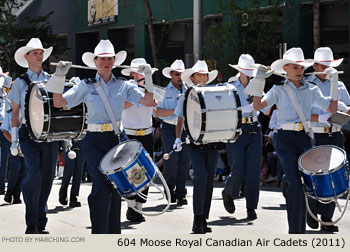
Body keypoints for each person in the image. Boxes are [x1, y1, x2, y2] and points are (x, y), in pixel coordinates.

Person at [49, 39, 154, 234]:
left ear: (114, 61)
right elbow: (59, 102)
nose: (106, 62)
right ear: (95, 62)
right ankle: (99, 234)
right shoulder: (86, 85)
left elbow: (148, 101)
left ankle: (113, 235)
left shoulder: (124, 85)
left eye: (110, 58)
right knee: (102, 188)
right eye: (102, 59)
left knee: (116, 189)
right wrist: (59, 77)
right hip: (94, 141)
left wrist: (147, 78)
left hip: (116, 139)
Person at [244, 47, 337, 233]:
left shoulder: (312, 89)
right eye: (295, 67)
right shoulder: (278, 89)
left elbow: (332, 108)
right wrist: (259, 81)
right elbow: (258, 106)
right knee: (295, 182)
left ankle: (307, 218)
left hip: (305, 137)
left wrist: (334, 83)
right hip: (285, 138)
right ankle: (296, 230)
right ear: (285, 68)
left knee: (308, 182)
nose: (299, 71)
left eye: (301, 67)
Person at [8, 38, 60, 234]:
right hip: (28, 133)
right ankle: (32, 222)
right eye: (35, 53)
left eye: (41, 52)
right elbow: (15, 113)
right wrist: (14, 140)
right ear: (26, 57)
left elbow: (60, 107)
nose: (39, 56)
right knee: (33, 176)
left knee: (47, 178)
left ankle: (40, 220)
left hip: (49, 134)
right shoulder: (20, 82)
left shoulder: (53, 80)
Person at [305, 47, 350, 232]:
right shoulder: (308, 84)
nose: (326, 69)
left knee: (333, 175)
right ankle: (312, 210)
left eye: (328, 65)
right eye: (322, 65)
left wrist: (340, 115)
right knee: (315, 175)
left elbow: (348, 108)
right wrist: (321, 118)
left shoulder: (339, 85)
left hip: (335, 133)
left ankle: (327, 217)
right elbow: (303, 113)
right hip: (316, 134)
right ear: (315, 66)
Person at [173, 60, 219, 233]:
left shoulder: (214, 93)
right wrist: (178, 138)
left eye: (204, 75)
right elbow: (179, 120)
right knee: (200, 177)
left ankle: (204, 218)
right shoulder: (185, 96)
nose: (202, 78)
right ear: (192, 78)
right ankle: (197, 218)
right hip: (194, 142)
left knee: (209, 181)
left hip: (212, 142)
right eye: (198, 75)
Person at [221, 54, 262, 220]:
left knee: (253, 171)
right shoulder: (230, 86)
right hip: (237, 128)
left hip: (254, 127)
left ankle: (251, 207)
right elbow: (226, 107)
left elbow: (262, 106)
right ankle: (228, 192)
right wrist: (245, 108)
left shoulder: (257, 84)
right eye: (246, 71)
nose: (249, 74)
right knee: (238, 168)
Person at [121, 58, 155, 223]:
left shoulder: (151, 88)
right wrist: (139, 95)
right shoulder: (127, 87)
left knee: (146, 171)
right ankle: (130, 206)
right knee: (130, 172)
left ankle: (139, 207)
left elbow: (155, 104)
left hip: (147, 133)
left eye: (145, 72)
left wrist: (147, 86)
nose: (141, 75)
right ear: (132, 73)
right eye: (139, 71)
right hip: (130, 133)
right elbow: (122, 105)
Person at [153, 59, 190, 205]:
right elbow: (157, 112)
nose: (179, 77)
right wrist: (176, 110)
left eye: (182, 74)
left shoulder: (189, 90)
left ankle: (181, 193)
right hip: (169, 127)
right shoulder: (164, 91)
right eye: (176, 74)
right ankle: (170, 190)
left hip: (185, 128)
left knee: (184, 160)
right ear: (171, 74)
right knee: (171, 158)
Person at [2, 100, 25, 204]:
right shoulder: (9, 114)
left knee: (23, 171)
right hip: (14, 146)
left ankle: (16, 195)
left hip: (25, 146)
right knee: (15, 168)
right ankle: (9, 193)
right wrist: (14, 142)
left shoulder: (27, 114)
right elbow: (5, 130)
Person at [58, 139, 85, 208]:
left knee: (79, 168)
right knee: (70, 166)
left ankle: (74, 196)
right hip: (68, 136)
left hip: (82, 137)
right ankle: (63, 190)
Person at [0, 67, 12, 195]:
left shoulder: (6, 83)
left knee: (4, 157)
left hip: (3, 124)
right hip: (3, 123)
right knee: (3, 157)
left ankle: (1, 185)